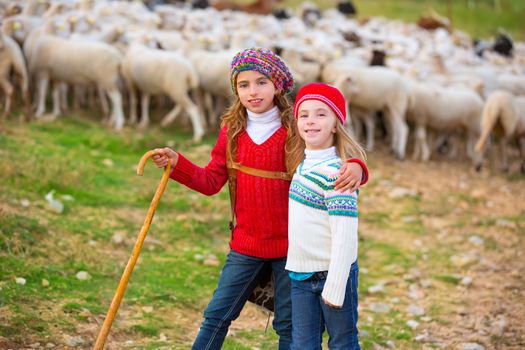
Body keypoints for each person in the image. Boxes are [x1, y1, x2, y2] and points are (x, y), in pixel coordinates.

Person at [151, 48, 368, 349]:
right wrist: (178, 164)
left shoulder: (295, 128)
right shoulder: (232, 130)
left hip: (289, 249)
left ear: (278, 85)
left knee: (289, 326)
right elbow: (212, 180)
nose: (253, 91)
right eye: (244, 85)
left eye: (262, 82)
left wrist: (358, 166)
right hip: (246, 244)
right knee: (217, 314)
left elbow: (331, 154)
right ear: (235, 89)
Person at [286, 83, 365, 349]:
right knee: (302, 345)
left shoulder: (337, 175)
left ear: (335, 124)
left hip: (332, 273)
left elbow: (345, 236)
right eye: (304, 114)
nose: (310, 121)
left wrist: (335, 283)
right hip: (300, 275)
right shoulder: (302, 165)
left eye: (321, 114)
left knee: (342, 343)